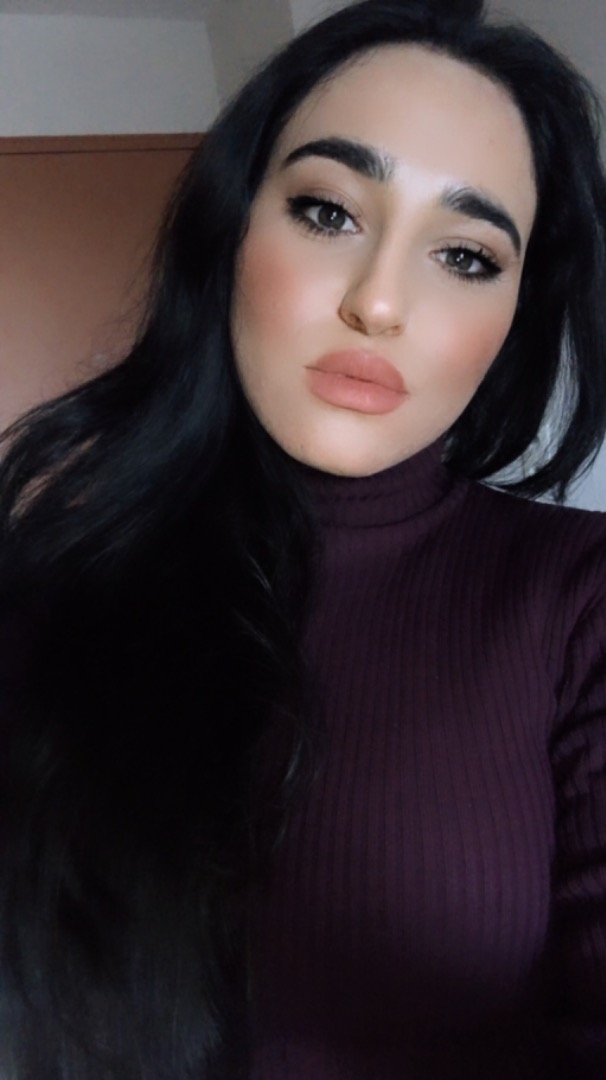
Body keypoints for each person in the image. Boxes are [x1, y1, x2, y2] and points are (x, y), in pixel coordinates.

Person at [1, 0, 606, 1076]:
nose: (380, 304)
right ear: (232, 230)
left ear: (518, 315)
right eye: (329, 213)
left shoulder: (582, 601)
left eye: (466, 256)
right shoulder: (45, 589)